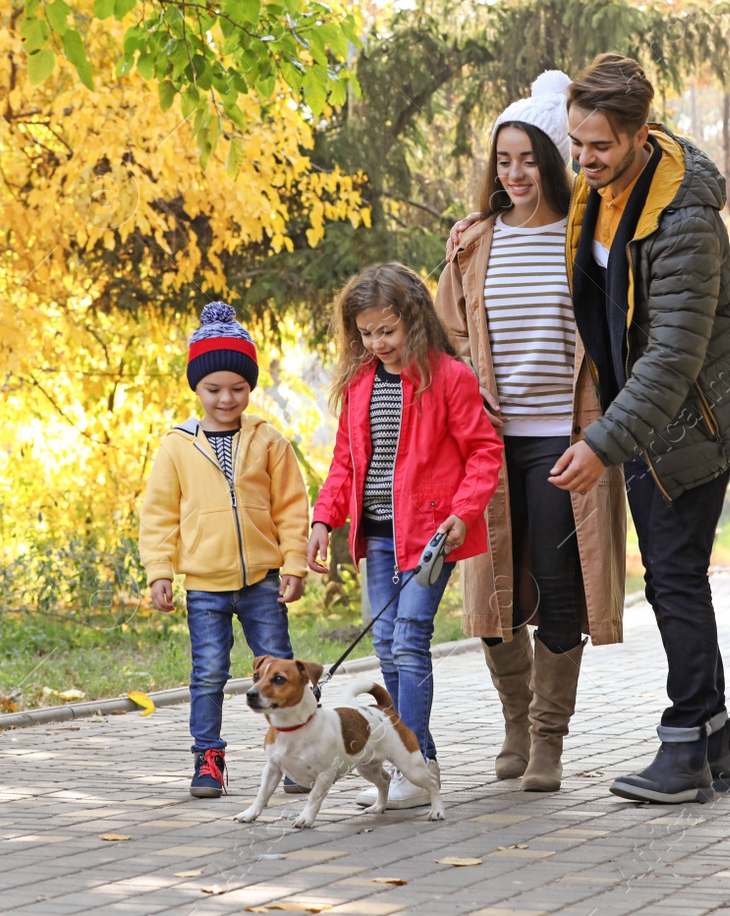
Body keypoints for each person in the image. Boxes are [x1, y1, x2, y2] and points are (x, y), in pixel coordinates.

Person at [434, 71, 628, 794]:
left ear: (553, 159)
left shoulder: (590, 239)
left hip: (564, 441)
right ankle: (514, 722)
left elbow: (620, 335)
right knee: (492, 598)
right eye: (503, 159)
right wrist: (463, 396)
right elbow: (446, 340)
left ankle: (548, 740)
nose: (514, 174)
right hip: (487, 445)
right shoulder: (472, 243)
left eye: (527, 158)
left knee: (556, 589)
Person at [306, 263, 505, 810]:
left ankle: (410, 766)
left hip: (429, 536)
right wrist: (324, 519)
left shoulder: (450, 379)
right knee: (387, 651)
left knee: (410, 640)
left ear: (415, 319)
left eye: (387, 331)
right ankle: (425, 763)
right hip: (378, 539)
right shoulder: (359, 385)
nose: (377, 343)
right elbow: (345, 464)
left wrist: (464, 512)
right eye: (366, 334)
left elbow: (484, 452)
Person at [140, 302, 311, 799]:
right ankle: (208, 758)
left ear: (250, 387)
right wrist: (159, 570)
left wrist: (294, 563)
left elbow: (292, 508)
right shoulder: (176, 446)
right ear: (196, 388)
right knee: (209, 671)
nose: (226, 398)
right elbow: (159, 515)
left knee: (279, 672)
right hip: (205, 585)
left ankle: (294, 755)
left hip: (262, 581)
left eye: (238, 388)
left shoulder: (269, 441)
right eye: (213, 389)